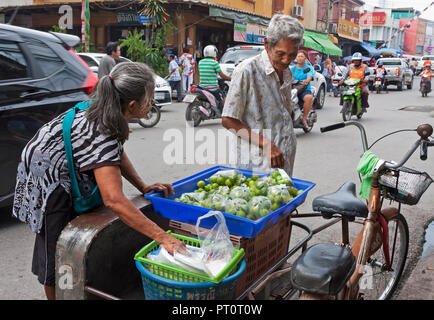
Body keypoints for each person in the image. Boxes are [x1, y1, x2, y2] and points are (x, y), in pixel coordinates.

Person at [12, 62, 184, 300]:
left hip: (66, 167)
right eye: (150, 97)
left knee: (76, 239)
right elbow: (113, 200)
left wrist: (142, 186)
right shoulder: (102, 128)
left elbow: (114, 155)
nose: (152, 102)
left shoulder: (109, 109)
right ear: (132, 104)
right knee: (56, 255)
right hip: (49, 179)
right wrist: (163, 236)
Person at [221, 14, 304, 176]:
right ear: (267, 44)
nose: (286, 60)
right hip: (255, 162)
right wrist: (266, 144)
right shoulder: (246, 71)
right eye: (281, 54)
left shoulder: (286, 72)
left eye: (292, 55)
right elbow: (228, 120)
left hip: (282, 157)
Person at [198, 44, 231, 110]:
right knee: (224, 100)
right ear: (214, 53)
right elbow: (221, 75)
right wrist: (230, 78)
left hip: (202, 87)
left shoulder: (200, 62)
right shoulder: (215, 63)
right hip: (213, 88)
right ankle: (226, 113)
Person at [290, 50, 315, 130]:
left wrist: (307, 80)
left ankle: (304, 119)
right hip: (293, 89)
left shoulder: (308, 68)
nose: (300, 58)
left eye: (301, 56)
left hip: (304, 89)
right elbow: (285, 77)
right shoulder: (292, 68)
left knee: (308, 98)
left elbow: (310, 75)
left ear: (305, 58)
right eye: (298, 56)